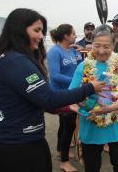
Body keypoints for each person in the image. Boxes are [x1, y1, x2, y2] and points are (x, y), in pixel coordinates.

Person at [0, 8, 105, 172]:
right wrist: (89, 88)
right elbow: (48, 98)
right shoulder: (16, 61)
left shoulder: (12, 59)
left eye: (42, 31)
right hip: (15, 146)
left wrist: (68, 107)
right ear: (18, 30)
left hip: (28, 141)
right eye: (36, 30)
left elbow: (40, 100)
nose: (41, 36)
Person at [69, 25, 118, 172]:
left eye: (106, 46)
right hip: (90, 125)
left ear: (113, 45)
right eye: (97, 45)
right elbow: (71, 97)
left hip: (115, 125)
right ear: (91, 44)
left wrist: (108, 108)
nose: (101, 50)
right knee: (92, 167)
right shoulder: (82, 67)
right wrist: (82, 109)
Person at [48, 24, 82, 172]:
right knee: (69, 125)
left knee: (65, 124)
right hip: (60, 93)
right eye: (73, 34)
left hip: (71, 92)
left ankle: (60, 150)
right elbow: (54, 76)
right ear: (66, 36)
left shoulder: (72, 50)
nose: (75, 36)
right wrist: (75, 82)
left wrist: (80, 53)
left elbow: (80, 67)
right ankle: (64, 162)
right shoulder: (54, 51)